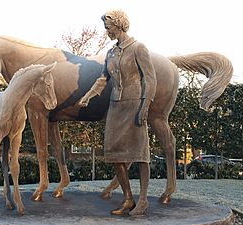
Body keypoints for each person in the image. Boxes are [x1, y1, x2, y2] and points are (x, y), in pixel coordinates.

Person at [79, 9, 157, 216]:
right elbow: (103, 79)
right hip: (115, 106)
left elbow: (150, 79)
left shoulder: (138, 48)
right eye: (105, 28)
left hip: (135, 105)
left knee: (140, 154)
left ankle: (142, 200)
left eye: (109, 28)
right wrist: (88, 96)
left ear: (120, 25)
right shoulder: (111, 53)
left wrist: (145, 106)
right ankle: (128, 198)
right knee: (114, 154)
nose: (107, 32)